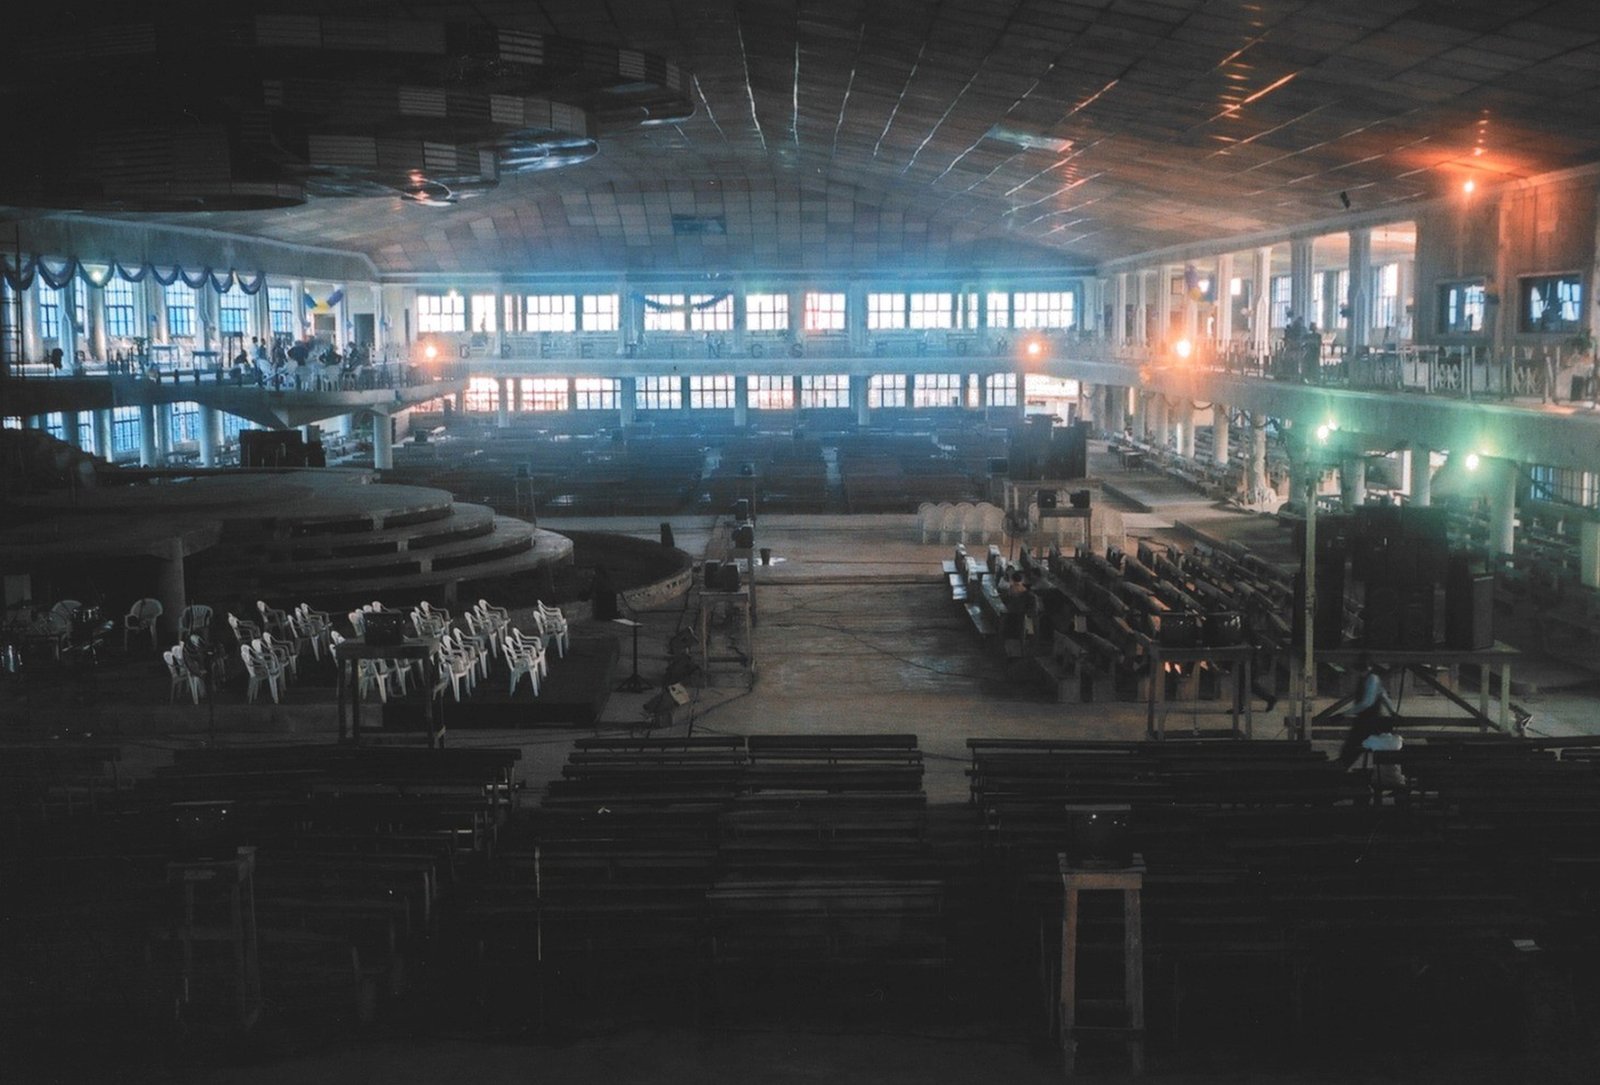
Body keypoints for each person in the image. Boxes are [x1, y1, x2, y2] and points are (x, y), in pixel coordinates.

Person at [1335, 654, 1398, 768]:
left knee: (1351, 747)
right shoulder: (1370, 678)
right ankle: (1342, 766)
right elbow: (1383, 695)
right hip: (1369, 719)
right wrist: (1392, 711)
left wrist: (1344, 714)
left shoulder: (1371, 679)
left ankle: (1341, 767)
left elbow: (1367, 703)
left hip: (1368, 720)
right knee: (1352, 747)